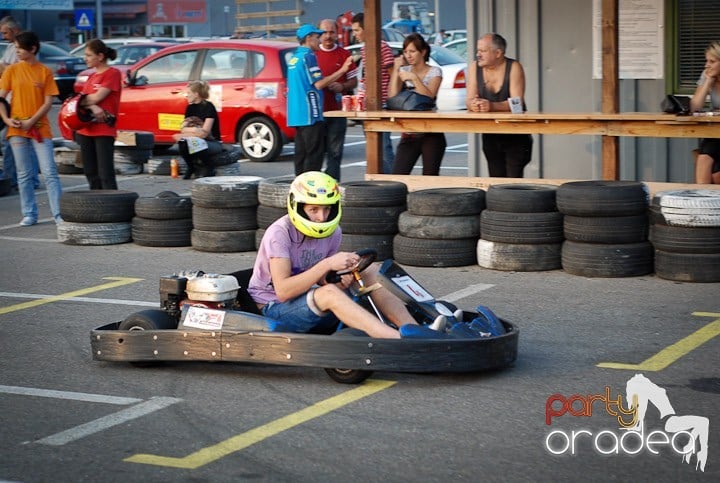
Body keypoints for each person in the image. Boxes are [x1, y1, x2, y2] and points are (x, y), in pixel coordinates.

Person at [247, 171, 445, 339]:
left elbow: (323, 279)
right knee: (330, 294)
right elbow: (283, 291)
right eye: (313, 210)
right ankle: (397, 339)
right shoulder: (280, 233)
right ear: (297, 206)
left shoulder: (334, 231)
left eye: (326, 209)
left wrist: (339, 278)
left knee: (370, 271)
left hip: (306, 298)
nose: (321, 217)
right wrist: (327, 265)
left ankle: (414, 329)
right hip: (273, 309)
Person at [0, 31, 62, 226]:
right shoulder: (11, 71)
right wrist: (7, 121)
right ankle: (29, 213)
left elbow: (47, 103)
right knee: (24, 174)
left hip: (40, 129)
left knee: (49, 171)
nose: (16, 52)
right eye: (16, 48)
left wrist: (32, 121)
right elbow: (1, 99)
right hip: (17, 129)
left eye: (19, 48)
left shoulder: (44, 72)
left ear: (32, 49)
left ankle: (58, 213)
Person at [287, 24, 353, 176]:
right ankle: (311, 190)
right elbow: (319, 83)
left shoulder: (293, 58)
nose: (320, 40)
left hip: (296, 115)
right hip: (311, 115)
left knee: (301, 156)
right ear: (309, 38)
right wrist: (343, 70)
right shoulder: (308, 56)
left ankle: (300, 187)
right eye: (317, 37)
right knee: (314, 156)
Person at [466, 33, 533, 178]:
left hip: (515, 134)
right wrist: (475, 105)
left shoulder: (514, 67)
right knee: (496, 180)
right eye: (478, 51)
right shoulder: (474, 67)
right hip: (491, 134)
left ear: (498, 53)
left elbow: (517, 103)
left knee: (513, 182)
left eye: (483, 51)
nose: (478, 54)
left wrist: (491, 106)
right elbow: (469, 99)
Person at [388, 33, 446, 175]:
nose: (409, 55)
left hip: (431, 132)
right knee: (398, 175)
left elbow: (429, 97)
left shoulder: (434, 71)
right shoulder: (404, 70)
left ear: (423, 52)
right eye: (406, 52)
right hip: (409, 132)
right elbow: (392, 96)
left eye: (412, 51)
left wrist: (414, 79)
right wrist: (396, 70)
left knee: (430, 176)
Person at [351, 12, 396, 174]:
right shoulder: (364, 49)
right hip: (367, 104)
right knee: (372, 147)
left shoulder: (382, 47)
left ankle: (393, 181)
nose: (354, 34)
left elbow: (393, 74)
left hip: (382, 103)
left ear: (366, 29)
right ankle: (379, 180)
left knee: (384, 147)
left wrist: (391, 100)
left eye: (357, 30)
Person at [75, 39, 121, 190]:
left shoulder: (112, 73)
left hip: (103, 129)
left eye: (88, 55)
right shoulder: (91, 76)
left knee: (105, 173)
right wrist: (93, 106)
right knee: (90, 171)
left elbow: (96, 97)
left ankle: (112, 207)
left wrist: (90, 102)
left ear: (100, 56)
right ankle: (97, 207)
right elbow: (79, 101)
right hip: (86, 129)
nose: (85, 58)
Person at [315, 18, 357, 181]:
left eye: (331, 32)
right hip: (316, 113)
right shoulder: (313, 54)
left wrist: (342, 86)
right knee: (316, 152)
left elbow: (353, 81)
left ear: (337, 34)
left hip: (338, 113)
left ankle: (332, 185)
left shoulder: (344, 54)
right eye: (324, 32)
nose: (327, 36)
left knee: (335, 153)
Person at [0, 16, 39, 189]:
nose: (3, 36)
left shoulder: (27, 56)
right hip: (9, 102)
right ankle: (23, 178)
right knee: (16, 143)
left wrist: (5, 68)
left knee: (11, 142)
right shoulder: (9, 48)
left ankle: (13, 179)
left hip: (20, 105)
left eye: (5, 32)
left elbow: (12, 71)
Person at [172, 80, 222, 179]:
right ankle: (191, 167)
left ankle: (210, 167)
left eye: (189, 93)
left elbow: (205, 133)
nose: (186, 95)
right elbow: (183, 129)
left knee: (194, 142)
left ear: (196, 94)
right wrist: (194, 131)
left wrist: (191, 131)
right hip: (197, 139)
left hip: (212, 142)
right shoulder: (189, 108)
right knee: (183, 142)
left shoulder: (209, 107)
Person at [690, 41, 720, 184]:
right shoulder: (707, 74)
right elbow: (694, 107)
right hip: (716, 134)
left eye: (712, 61)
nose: (706, 65)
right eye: (706, 60)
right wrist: (708, 82)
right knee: (703, 159)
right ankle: (701, 202)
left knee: (715, 177)